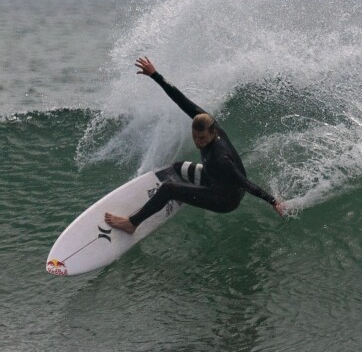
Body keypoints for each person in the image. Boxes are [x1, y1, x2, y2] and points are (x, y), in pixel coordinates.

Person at [104, 57, 284, 235]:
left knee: (168, 188)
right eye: (195, 137)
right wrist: (155, 75)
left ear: (213, 133)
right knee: (176, 167)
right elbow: (181, 100)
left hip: (224, 200)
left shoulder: (221, 159)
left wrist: (273, 201)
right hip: (215, 179)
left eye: (203, 138)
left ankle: (132, 223)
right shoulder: (207, 122)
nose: (198, 142)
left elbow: (246, 184)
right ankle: (178, 194)